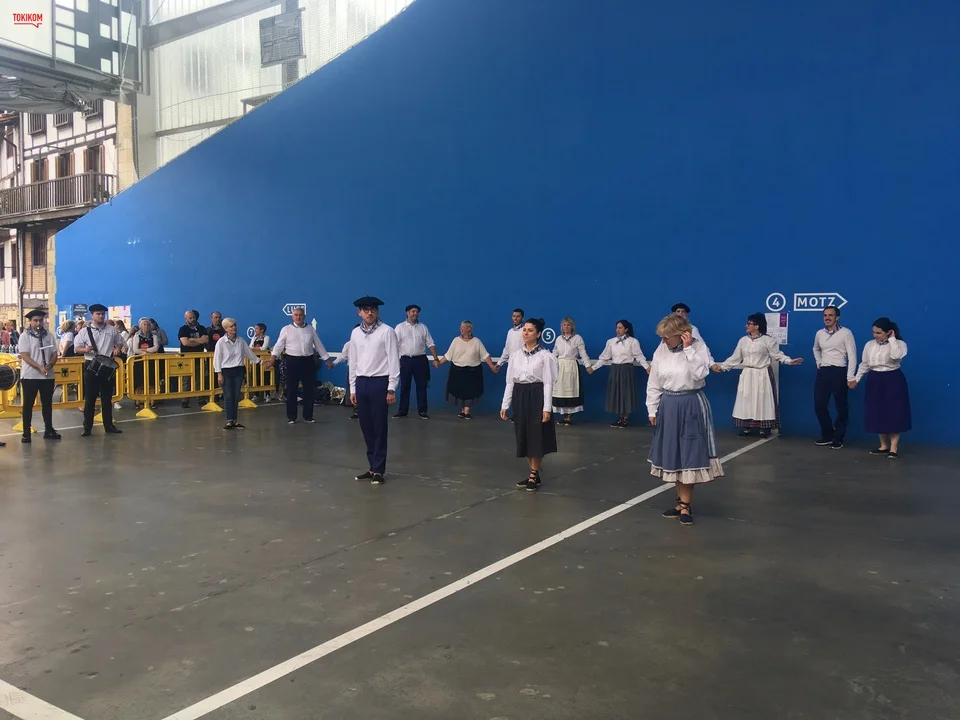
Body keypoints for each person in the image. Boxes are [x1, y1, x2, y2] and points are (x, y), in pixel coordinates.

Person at [647, 313, 723, 526]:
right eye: (662, 337)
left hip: (691, 404)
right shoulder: (661, 350)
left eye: (667, 337)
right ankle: (680, 503)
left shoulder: (698, 348)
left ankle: (686, 505)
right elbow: (654, 381)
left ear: (683, 335)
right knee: (675, 454)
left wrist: (689, 349)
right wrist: (652, 409)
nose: (664, 341)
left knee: (689, 453)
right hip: (669, 405)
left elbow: (700, 374)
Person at [712, 312, 803, 438]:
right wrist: (723, 367)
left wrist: (789, 361)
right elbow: (735, 357)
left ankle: (763, 428)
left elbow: (777, 355)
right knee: (746, 399)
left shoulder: (767, 340)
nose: (746, 326)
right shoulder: (743, 341)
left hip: (762, 374)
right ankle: (747, 427)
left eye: (749, 324)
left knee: (762, 399)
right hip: (748, 374)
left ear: (757, 326)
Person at [501, 318, 558, 492]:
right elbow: (510, 381)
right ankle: (533, 472)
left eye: (530, 330)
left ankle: (534, 473)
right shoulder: (515, 356)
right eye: (524, 330)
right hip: (520, 396)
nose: (526, 333)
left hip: (536, 396)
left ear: (538, 334)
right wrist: (505, 404)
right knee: (524, 434)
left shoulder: (545, 356)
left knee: (536, 434)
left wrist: (546, 408)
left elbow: (548, 383)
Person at [349, 297, 400, 485]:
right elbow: (353, 360)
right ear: (359, 312)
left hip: (380, 382)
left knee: (379, 427)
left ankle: (379, 469)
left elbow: (394, 360)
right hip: (361, 382)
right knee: (366, 427)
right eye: (366, 310)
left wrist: (391, 388)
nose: (369, 313)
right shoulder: (355, 333)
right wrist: (353, 388)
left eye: (373, 309)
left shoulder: (387, 332)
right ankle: (372, 467)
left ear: (377, 312)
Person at [849, 317, 910, 458]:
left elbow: (896, 356)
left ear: (889, 332)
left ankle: (893, 448)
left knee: (894, 412)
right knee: (878, 411)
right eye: (874, 332)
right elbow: (865, 364)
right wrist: (856, 379)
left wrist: (892, 340)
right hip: (874, 379)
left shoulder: (899, 344)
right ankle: (883, 446)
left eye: (879, 333)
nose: (875, 335)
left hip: (893, 379)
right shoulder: (869, 345)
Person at [73, 303, 125, 437]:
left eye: (102, 314)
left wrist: (117, 348)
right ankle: (87, 427)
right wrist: (85, 349)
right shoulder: (84, 331)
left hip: (107, 365)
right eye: (98, 314)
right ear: (92, 315)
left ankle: (109, 425)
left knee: (107, 398)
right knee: (90, 399)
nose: (101, 316)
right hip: (91, 365)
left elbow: (120, 341)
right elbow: (76, 348)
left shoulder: (112, 330)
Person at [271, 307, 330, 424]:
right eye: (296, 315)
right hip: (292, 361)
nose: (298, 317)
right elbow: (279, 345)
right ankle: (291, 416)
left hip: (308, 361)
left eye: (300, 315)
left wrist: (327, 359)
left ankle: (308, 416)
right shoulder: (286, 329)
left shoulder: (310, 329)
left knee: (309, 389)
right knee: (291, 389)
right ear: (292, 316)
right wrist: (273, 357)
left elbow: (318, 344)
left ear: (304, 316)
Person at [587, 319, 650, 428]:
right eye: (617, 327)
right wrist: (593, 368)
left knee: (626, 393)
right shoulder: (610, 342)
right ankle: (620, 417)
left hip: (627, 370)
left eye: (620, 328)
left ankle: (625, 418)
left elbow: (639, 356)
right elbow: (604, 357)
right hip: (615, 370)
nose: (618, 330)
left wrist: (647, 367)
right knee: (617, 394)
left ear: (626, 329)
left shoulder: (633, 341)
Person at [214, 318, 272, 430]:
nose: (234, 328)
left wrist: (261, 362)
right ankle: (229, 420)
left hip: (239, 370)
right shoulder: (221, 342)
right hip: (226, 371)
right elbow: (217, 358)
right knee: (228, 395)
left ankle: (234, 420)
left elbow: (249, 353)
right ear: (226, 329)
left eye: (234, 325)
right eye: (231, 326)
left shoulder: (241, 341)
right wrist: (219, 374)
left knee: (236, 396)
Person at [813, 305, 857, 449]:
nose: (827, 318)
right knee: (819, 405)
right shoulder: (820, 333)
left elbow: (852, 355)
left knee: (841, 406)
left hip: (839, 371)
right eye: (825, 315)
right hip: (824, 371)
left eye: (830, 315)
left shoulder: (846, 333)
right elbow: (816, 348)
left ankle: (838, 437)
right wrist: (819, 361)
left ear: (837, 317)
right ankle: (828, 435)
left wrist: (850, 376)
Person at [435, 321, 498, 419]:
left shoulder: (477, 341)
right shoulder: (456, 341)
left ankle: (467, 411)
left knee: (470, 392)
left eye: (463, 327)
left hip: (472, 372)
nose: (460, 329)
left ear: (469, 329)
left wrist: (492, 366)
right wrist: (439, 363)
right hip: (457, 371)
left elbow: (485, 355)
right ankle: (462, 410)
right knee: (459, 391)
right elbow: (448, 355)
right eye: (460, 327)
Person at [17, 308, 61, 443]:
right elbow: (25, 355)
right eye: (35, 320)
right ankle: (26, 432)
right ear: (30, 322)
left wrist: (50, 365)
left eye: (40, 320)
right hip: (30, 376)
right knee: (28, 404)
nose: (38, 323)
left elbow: (54, 353)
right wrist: (39, 367)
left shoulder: (49, 335)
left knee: (47, 403)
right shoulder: (25, 336)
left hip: (47, 376)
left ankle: (49, 430)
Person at [394, 304, 439, 419]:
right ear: (407, 313)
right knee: (405, 386)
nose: (415, 313)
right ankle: (403, 411)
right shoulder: (400, 327)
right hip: (405, 360)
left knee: (422, 386)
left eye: (417, 312)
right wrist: (395, 361)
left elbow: (430, 343)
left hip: (420, 360)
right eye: (413, 311)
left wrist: (436, 358)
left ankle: (422, 411)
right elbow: (395, 345)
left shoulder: (423, 327)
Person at [552, 316, 590, 425]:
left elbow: (583, 353)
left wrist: (588, 365)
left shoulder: (577, 338)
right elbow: (555, 353)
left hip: (571, 366)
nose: (566, 327)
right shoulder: (559, 339)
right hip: (560, 366)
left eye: (568, 325)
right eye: (564, 325)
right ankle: (564, 416)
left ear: (572, 326)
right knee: (561, 390)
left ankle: (569, 416)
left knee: (571, 390)